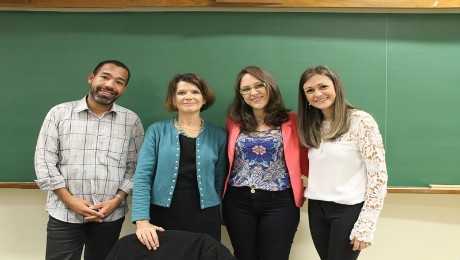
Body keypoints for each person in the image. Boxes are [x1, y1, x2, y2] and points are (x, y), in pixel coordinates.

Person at [34, 60, 144, 260]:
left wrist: (117, 200)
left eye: (119, 82)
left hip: (110, 215)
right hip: (64, 212)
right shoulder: (59, 114)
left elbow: (136, 167)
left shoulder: (131, 121)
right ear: (91, 78)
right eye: (105, 77)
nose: (110, 85)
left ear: (124, 88)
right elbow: (44, 162)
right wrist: (71, 201)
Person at [297, 65, 388, 260]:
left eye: (323, 86)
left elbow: (378, 176)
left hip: (348, 209)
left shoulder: (360, 121)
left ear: (336, 87)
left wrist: (367, 223)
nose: (317, 94)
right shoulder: (311, 125)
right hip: (317, 208)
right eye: (310, 90)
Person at [132, 73, 228, 251]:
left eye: (195, 92)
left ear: (204, 98)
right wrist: (142, 221)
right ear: (173, 99)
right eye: (181, 93)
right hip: (163, 214)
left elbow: (220, 181)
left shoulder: (219, 135)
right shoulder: (156, 131)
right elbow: (143, 178)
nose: (189, 97)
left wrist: (222, 215)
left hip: (206, 215)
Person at [222, 65, 308, 260]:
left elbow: (308, 160)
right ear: (241, 94)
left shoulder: (293, 121)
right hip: (238, 201)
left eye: (258, 85)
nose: (253, 92)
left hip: (280, 203)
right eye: (246, 89)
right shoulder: (233, 122)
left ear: (270, 86)